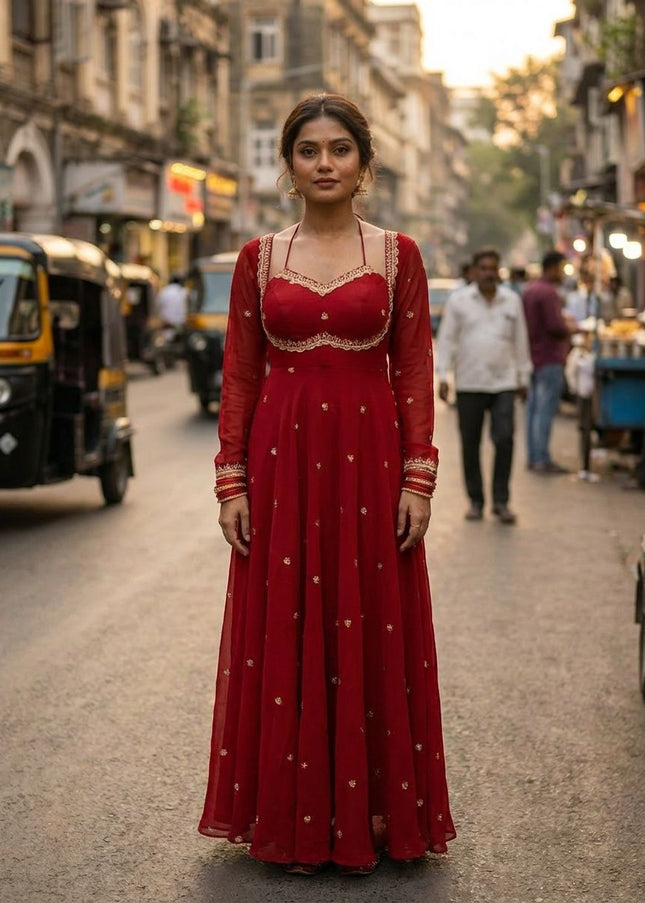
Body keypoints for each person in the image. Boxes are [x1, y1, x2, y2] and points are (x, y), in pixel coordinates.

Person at [198, 94, 455, 876]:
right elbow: (239, 372)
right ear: (289, 164)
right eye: (308, 150)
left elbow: (412, 367)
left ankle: (373, 814)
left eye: (338, 149)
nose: (323, 163)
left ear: (363, 163)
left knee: (369, 621)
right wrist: (230, 481)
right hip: (279, 468)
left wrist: (419, 477)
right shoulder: (257, 259)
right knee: (285, 627)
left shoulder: (397, 255)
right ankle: (281, 814)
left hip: (370, 465)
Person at [436, 248, 531, 524]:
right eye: (484, 268)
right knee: (470, 443)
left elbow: (520, 341)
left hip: (503, 382)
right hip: (469, 382)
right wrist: (443, 376)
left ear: (499, 271)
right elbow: (448, 339)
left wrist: (523, 378)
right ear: (474, 272)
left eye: (493, 268)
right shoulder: (459, 301)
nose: (489, 273)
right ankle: (476, 500)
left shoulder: (511, 301)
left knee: (504, 439)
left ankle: (501, 501)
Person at [522, 250, 577, 474]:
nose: (563, 274)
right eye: (562, 268)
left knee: (534, 409)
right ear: (553, 267)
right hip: (549, 357)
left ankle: (534, 456)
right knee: (544, 409)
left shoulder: (530, 290)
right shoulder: (548, 292)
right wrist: (571, 328)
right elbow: (556, 326)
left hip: (533, 355)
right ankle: (542, 458)